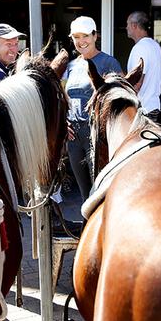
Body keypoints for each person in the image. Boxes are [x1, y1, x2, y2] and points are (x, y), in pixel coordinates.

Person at [63, 16, 122, 201]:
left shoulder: (108, 62)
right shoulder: (71, 65)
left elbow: (121, 100)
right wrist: (64, 122)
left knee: (100, 192)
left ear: (96, 36)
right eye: (76, 37)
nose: (81, 42)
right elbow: (64, 98)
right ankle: (86, 228)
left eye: (85, 36)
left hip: (97, 136)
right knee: (83, 193)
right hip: (74, 137)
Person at [126, 11, 161, 122]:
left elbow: (137, 82)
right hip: (153, 106)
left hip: (142, 109)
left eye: (127, 24)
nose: (126, 27)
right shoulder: (155, 45)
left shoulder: (140, 47)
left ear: (134, 25)